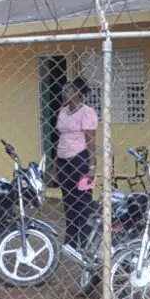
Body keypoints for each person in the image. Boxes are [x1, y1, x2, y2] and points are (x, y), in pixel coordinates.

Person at [53, 78, 99, 249]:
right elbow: (60, 138)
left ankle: (86, 241)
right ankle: (71, 241)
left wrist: (93, 166)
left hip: (80, 160)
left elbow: (91, 141)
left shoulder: (87, 112)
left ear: (78, 93)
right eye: (64, 90)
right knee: (68, 201)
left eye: (69, 90)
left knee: (83, 202)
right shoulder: (63, 111)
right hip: (63, 160)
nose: (64, 93)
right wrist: (56, 165)